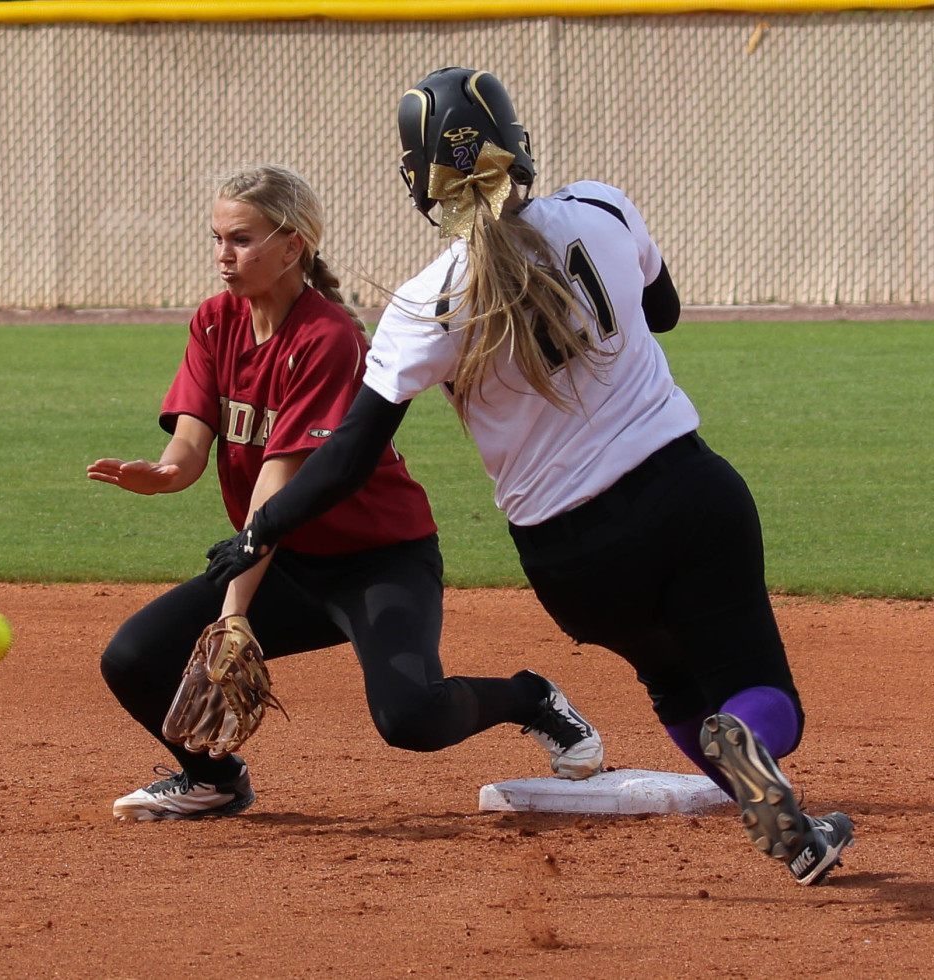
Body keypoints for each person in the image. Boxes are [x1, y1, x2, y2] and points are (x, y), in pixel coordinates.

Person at [203, 72, 855, 886]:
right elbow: (664, 312)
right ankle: (754, 743)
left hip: (570, 562)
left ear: (419, 180)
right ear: (516, 142)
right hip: (684, 494)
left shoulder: (425, 302)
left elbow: (350, 453)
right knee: (757, 690)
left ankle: (792, 836)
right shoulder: (599, 207)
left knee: (669, 678)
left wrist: (259, 531)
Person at [87, 163, 604, 822]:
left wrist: (234, 614)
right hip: (288, 566)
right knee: (132, 658)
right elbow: (191, 445)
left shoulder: (327, 338)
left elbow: (279, 484)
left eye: (241, 239)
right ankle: (212, 779)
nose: (223, 255)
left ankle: (530, 699)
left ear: (292, 245)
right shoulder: (215, 323)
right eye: (217, 238)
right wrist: (164, 474)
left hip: (378, 560)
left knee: (411, 717)